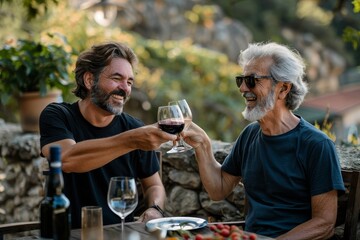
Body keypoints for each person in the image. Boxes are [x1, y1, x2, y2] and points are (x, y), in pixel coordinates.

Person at [182, 42, 345, 239]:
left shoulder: (317, 145)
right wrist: (202, 144)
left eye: (252, 80)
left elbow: (324, 224)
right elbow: (218, 189)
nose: (243, 88)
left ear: (283, 89)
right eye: (240, 79)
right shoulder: (250, 135)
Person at [39, 42, 177, 228]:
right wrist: (131, 140)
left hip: (120, 233)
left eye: (129, 82)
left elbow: (154, 186)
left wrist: (154, 209)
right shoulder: (58, 115)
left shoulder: (133, 127)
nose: (125, 88)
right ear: (89, 80)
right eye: (117, 78)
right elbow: (67, 160)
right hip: (67, 234)